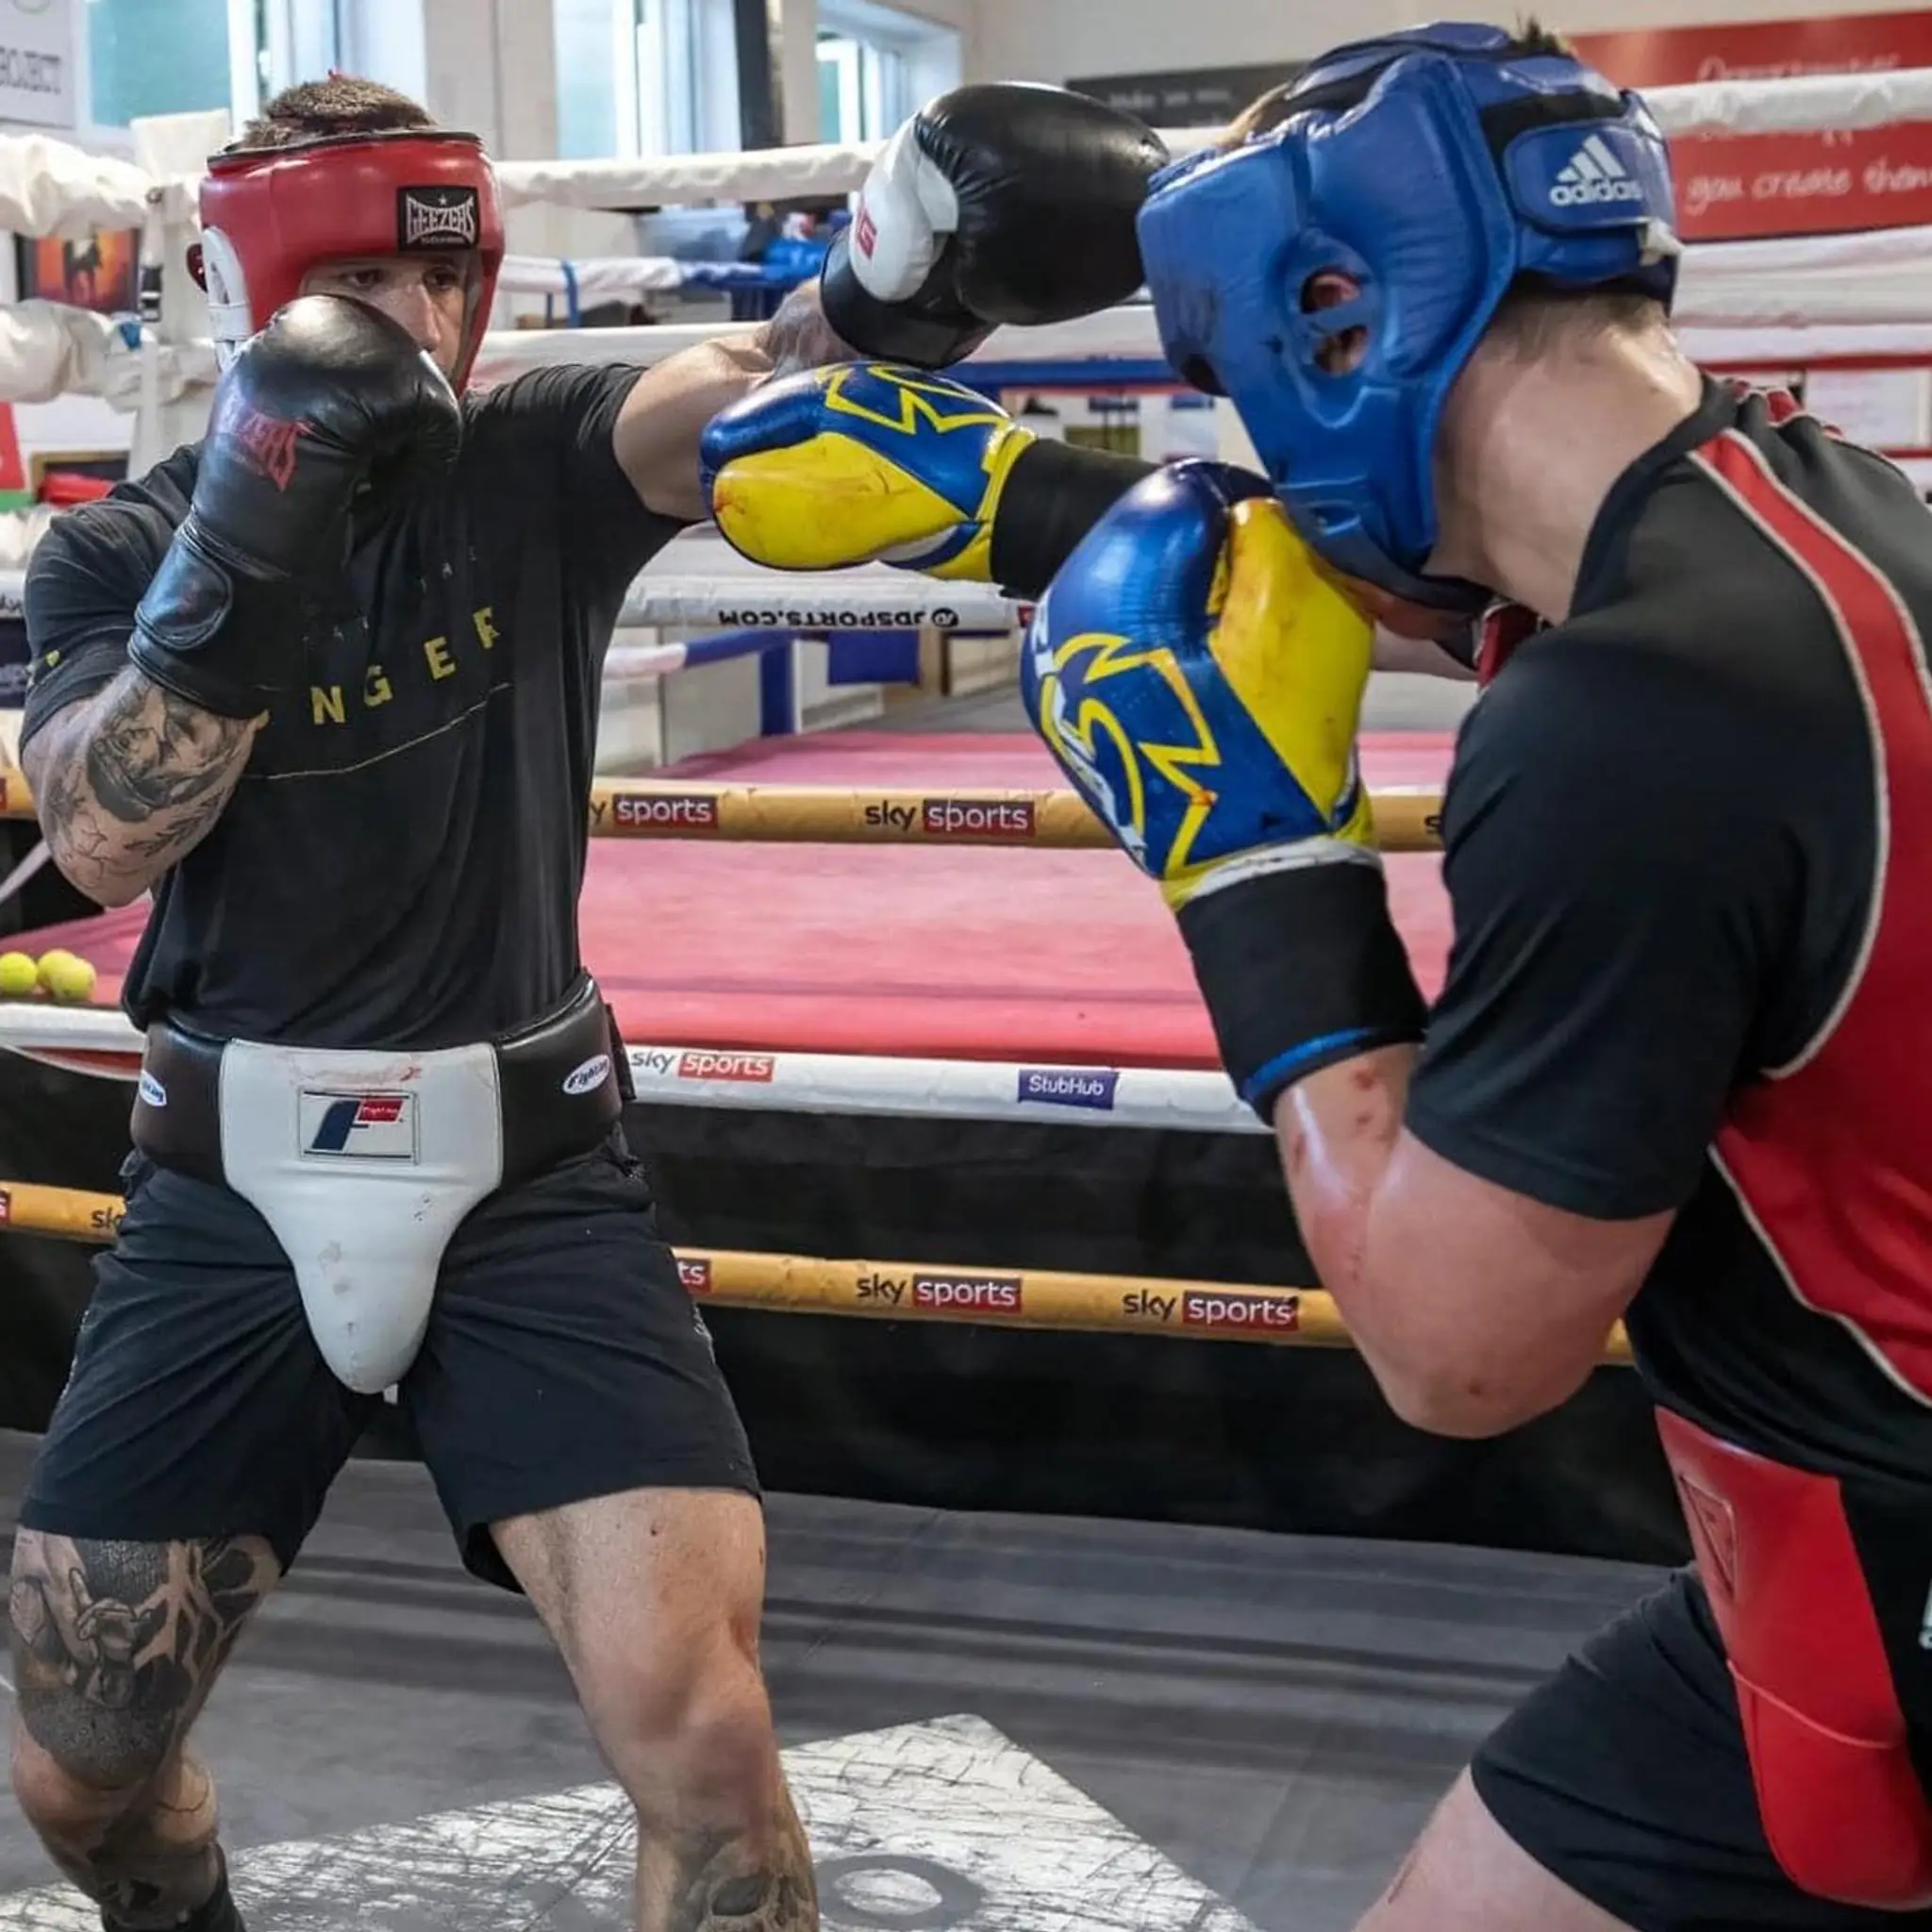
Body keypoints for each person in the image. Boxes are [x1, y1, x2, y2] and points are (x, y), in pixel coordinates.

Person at [704, 22, 1932, 1932]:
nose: (1252, 429)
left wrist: (1249, 865)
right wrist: (1032, 508)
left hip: (1896, 1571)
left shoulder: (1628, 730)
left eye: (1235, 378)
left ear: (1329, 316)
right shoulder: (1802, 512)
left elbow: (1457, 1354)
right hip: (1820, 1540)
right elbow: (1474, 619)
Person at [6, 75, 1161, 1932]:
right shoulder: (118, 554)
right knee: (81, 1765)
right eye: (366, 279)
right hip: (225, 1192)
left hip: (529, 1185)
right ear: (257, 293)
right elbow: (105, 825)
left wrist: (895, 289)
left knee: (704, 1747)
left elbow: (745, 383)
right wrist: (258, 524)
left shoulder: (537, 452)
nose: (422, 319)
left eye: (446, 275)